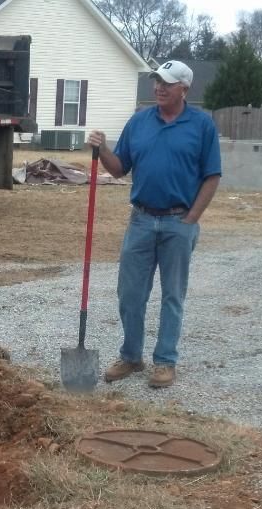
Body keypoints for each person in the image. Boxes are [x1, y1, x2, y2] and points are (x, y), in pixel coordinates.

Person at [88, 60, 221, 388]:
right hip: (142, 220)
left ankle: (165, 362)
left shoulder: (202, 126)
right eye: (157, 81)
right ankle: (131, 357)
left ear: (184, 88)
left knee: (173, 295)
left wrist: (192, 219)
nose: (159, 87)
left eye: (168, 83)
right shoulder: (139, 122)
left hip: (179, 221)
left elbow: (212, 176)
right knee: (130, 294)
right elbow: (119, 168)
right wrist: (102, 148)